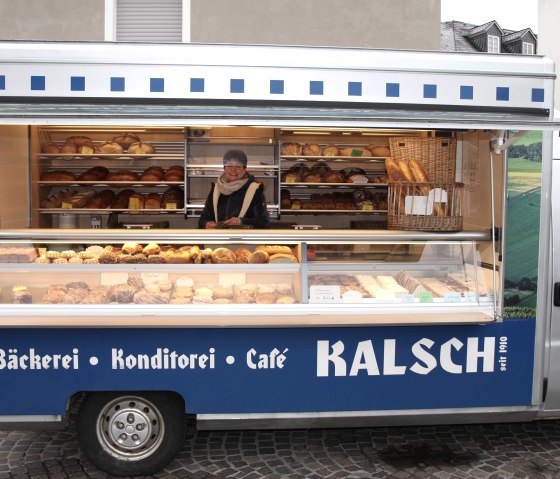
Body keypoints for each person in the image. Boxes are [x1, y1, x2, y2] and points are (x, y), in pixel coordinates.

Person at [198, 150, 270, 229]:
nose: (233, 170)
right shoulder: (216, 189)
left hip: (244, 240)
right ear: (224, 168)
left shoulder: (254, 190)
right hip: (220, 240)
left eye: (238, 166)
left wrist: (241, 221)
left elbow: (264, 222)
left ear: (244, 169)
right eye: (229, 166)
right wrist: (206, 224)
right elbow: (203, 219)